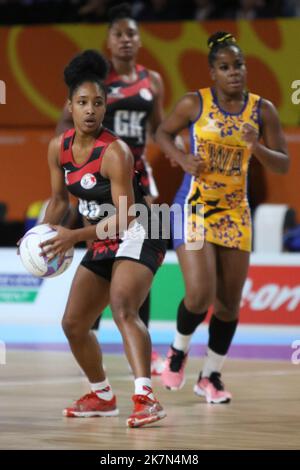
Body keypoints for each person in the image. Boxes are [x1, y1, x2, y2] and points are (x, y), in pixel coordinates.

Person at [156, 31, 289, 403]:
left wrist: (256, 146)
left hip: (235, 212)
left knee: (229, 304)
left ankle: (210, 376)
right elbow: (162, 132)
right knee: (199, 296)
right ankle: (178, 351)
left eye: (239, 65)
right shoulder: (192, 103)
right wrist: (182, 159)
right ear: (212, 73)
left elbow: (283, 165)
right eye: (225, 67)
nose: (234, 72)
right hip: (193, 207)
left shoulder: (263, 111)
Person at [38, 49, 167, 427]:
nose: (90, 110)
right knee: (73, 324)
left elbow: (127, 217)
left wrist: (73, 236)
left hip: (145, 225)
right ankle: (102, 395)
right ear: (70, 107)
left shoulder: (115, 153)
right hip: (103, 235)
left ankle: (146, 397)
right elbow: (60, 200)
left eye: (97, 103)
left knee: (122, 305)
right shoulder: (57, 149)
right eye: (82, 103)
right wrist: (42, 237)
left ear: (105, 107)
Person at [56, 2, 166, 375]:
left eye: (132, 33)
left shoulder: (152, 81)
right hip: (96, 182)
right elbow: (65, 147)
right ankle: (97, 335)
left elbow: (160, 130)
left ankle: (139, 352)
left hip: (133, 179)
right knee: (101, 258)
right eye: (119, 34)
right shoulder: (94, 86)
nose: (126, 40)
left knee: (131, 270)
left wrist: (178, 155)